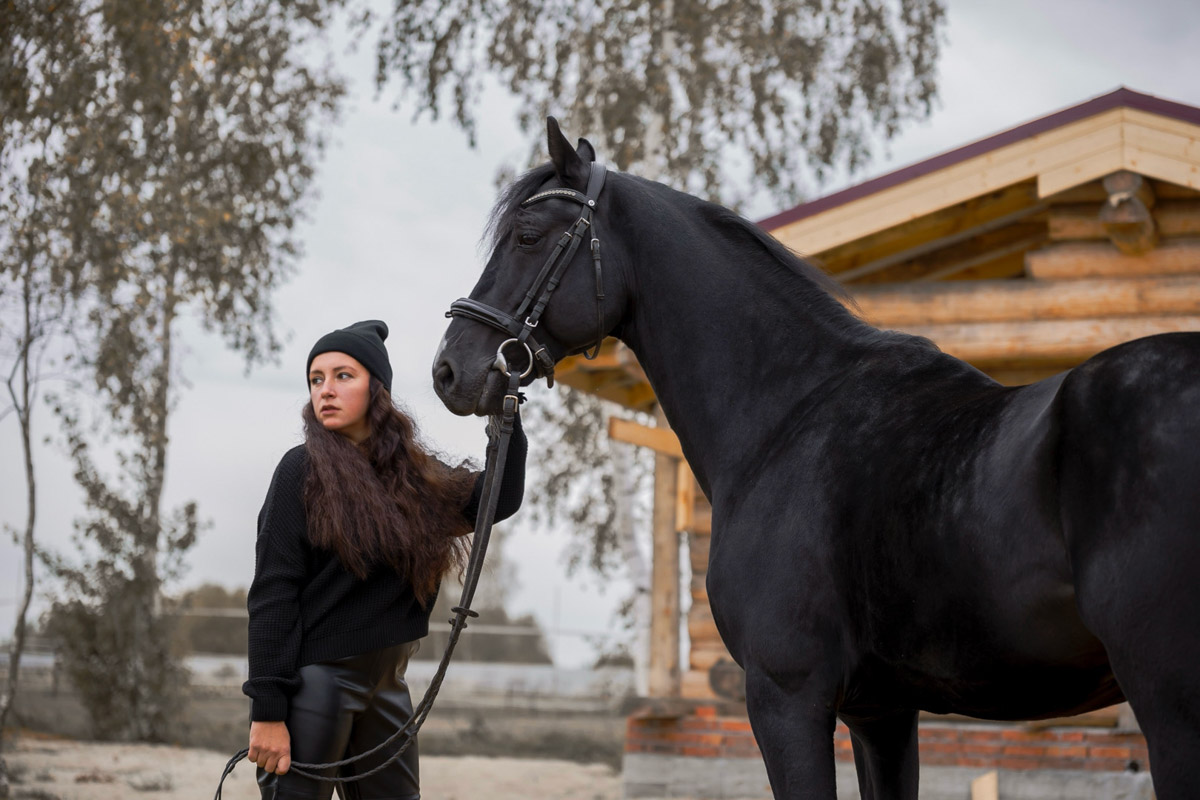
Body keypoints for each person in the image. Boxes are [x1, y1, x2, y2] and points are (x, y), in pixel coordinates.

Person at [243, 320, 526, 799]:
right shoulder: (301, 470)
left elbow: (496, 499)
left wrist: (507, 420)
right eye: (316, 379)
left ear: (378, 388)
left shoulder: (415, 477)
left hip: (388, 684)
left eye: (342, 376)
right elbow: (273, 592)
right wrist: (268, 712)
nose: (325, 390)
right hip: (316, 686)